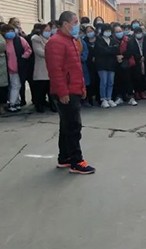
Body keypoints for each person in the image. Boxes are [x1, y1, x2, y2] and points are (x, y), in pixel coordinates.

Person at [45, 11, 94, 174]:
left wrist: (82, 87)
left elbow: (76, 68)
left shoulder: (71, 40)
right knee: (73, 126)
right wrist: (62, 92)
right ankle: (76, 161)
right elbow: (55, 71)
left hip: (73, 88)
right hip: (66, 91)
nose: (77, 25)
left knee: (66, 125)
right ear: (66, 24)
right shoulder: (56, 42)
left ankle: (65, 157)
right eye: (75, 22)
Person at [1, 24, 31, 112]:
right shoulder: (3, 42)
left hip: (18, 67)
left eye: (12, 31)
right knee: (12, 86)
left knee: (16, 85)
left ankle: (13, 102)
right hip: (7, 69)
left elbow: (28, 50)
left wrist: (24, 57)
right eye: (8, 31)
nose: (10, 33)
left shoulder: (20, 40)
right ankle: (14, 102)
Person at [94, 23, 120, 108]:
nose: (108, 32)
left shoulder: (112, 40)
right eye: (106, 31)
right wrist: (110, 50)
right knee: (103, 82)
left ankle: (109, 98)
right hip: (102, 64)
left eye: (109, 30)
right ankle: (103, 99)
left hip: (111, 64)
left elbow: (116, 49)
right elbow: (101, 51)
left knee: (110, 82)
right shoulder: (99, 40)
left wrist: (109, 50)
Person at [31, 23, 54, 113]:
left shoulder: (52, 39)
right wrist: (52, 53)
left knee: (51, 89)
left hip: (51, 68)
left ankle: (52, 105)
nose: (48, 32)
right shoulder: (36, 39)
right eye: (46, 30)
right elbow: (40, 52)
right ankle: (39, 105)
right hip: (41, 68)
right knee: (41, 89)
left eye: (49, 30)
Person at [114, 24, 138, 106]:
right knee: (118, 80)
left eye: (120, 31)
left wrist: (123, 56)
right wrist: (117, 56)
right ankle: (119, 97)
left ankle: (131, 97)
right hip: (116, 63)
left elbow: (131, 50)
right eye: (117, 32)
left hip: (127, 62)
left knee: (128, 80)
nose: (119, 33)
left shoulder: (128, 40)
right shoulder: (113, 41)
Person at [81, 25, 99, 107]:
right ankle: (89, 98)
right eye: (87, 32)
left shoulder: (99, 40)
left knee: (98, 80)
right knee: (90, 81)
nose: (89, 33)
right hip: (88, 64)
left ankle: (98, 98)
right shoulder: (84, 41)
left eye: (91, 31)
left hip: (98, 63)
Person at [128, 27, 146, 101]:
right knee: (136, 77)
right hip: (136, 61)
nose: (139, 34)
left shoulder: (145, 40)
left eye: (140, 32)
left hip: (145, 60)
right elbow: (132, 51)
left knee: (143, 77)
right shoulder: (132, 41)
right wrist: (139, 57)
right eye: (137, 33)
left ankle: (142, 91)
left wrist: (144, 56)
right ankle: (137, 92)